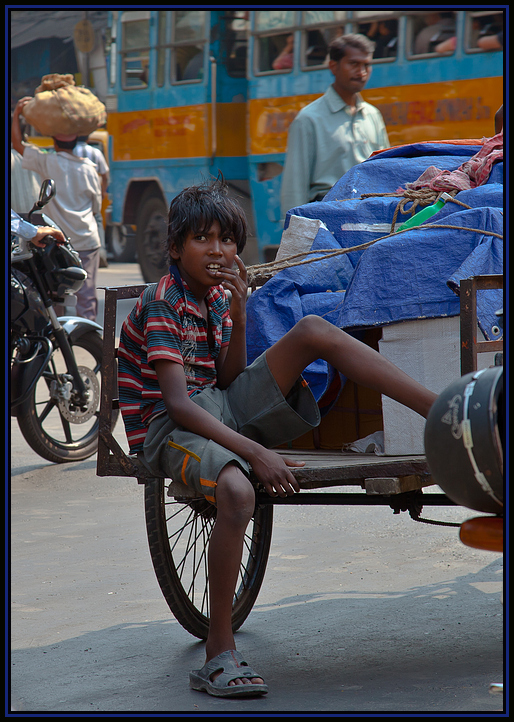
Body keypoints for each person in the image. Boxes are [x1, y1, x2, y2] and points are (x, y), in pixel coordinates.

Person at [117, 178, 438, 698]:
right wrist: (256, 451)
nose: (217, 250)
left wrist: (241, 313)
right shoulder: (163, 302)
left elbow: (224, 379)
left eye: (226, 240)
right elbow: (178, 403)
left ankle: (442, 409)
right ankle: (218, 651)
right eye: (202, 239)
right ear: (174, 249)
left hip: (214, 406)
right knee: (239, 491)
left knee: (312, 328)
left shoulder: (218, 299)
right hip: (168, 426)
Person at [11, 97, 103, 321]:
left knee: (53, 296)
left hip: (57, 240)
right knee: (87, 299)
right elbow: (96, 207)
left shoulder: (47, 162)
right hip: (87, 240)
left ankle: (55, 340)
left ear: (53, 139)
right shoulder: (90, 168)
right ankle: (91, 340)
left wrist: (17, 114)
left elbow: (17, 144)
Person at [279, 34, 389, 218]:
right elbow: (295, 184)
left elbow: (385, 170)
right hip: (327, 215)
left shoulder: (372, 115)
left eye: (367, 65)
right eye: (353, 64)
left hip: (369, 214)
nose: (361, 71)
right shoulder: (309, 119)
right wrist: (292, 229)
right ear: (333, 66)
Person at [74, 134, 110, 267]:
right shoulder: (96, 152)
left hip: (76, 196)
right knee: (97, 221)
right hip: (93, 194)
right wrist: (103, 191)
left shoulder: (72, 152)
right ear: (88, 138)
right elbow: (105, 175)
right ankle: (101, 253)